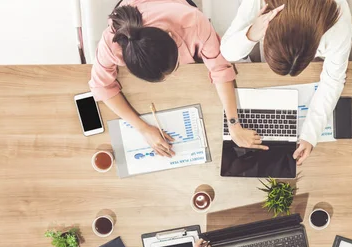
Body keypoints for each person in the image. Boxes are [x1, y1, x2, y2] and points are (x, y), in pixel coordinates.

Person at [89, 0, 267, 158]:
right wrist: (142, 128)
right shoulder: (112, 41)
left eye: (173, 68)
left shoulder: (194, 22)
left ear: (172, 37)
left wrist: (233, 124)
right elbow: (101, 86)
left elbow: (220, 68)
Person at [220, 0, 352, 165]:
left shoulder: (338, 29)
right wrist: (251, 33)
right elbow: (227, 53)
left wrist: (310, 135)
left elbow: (333, 80)